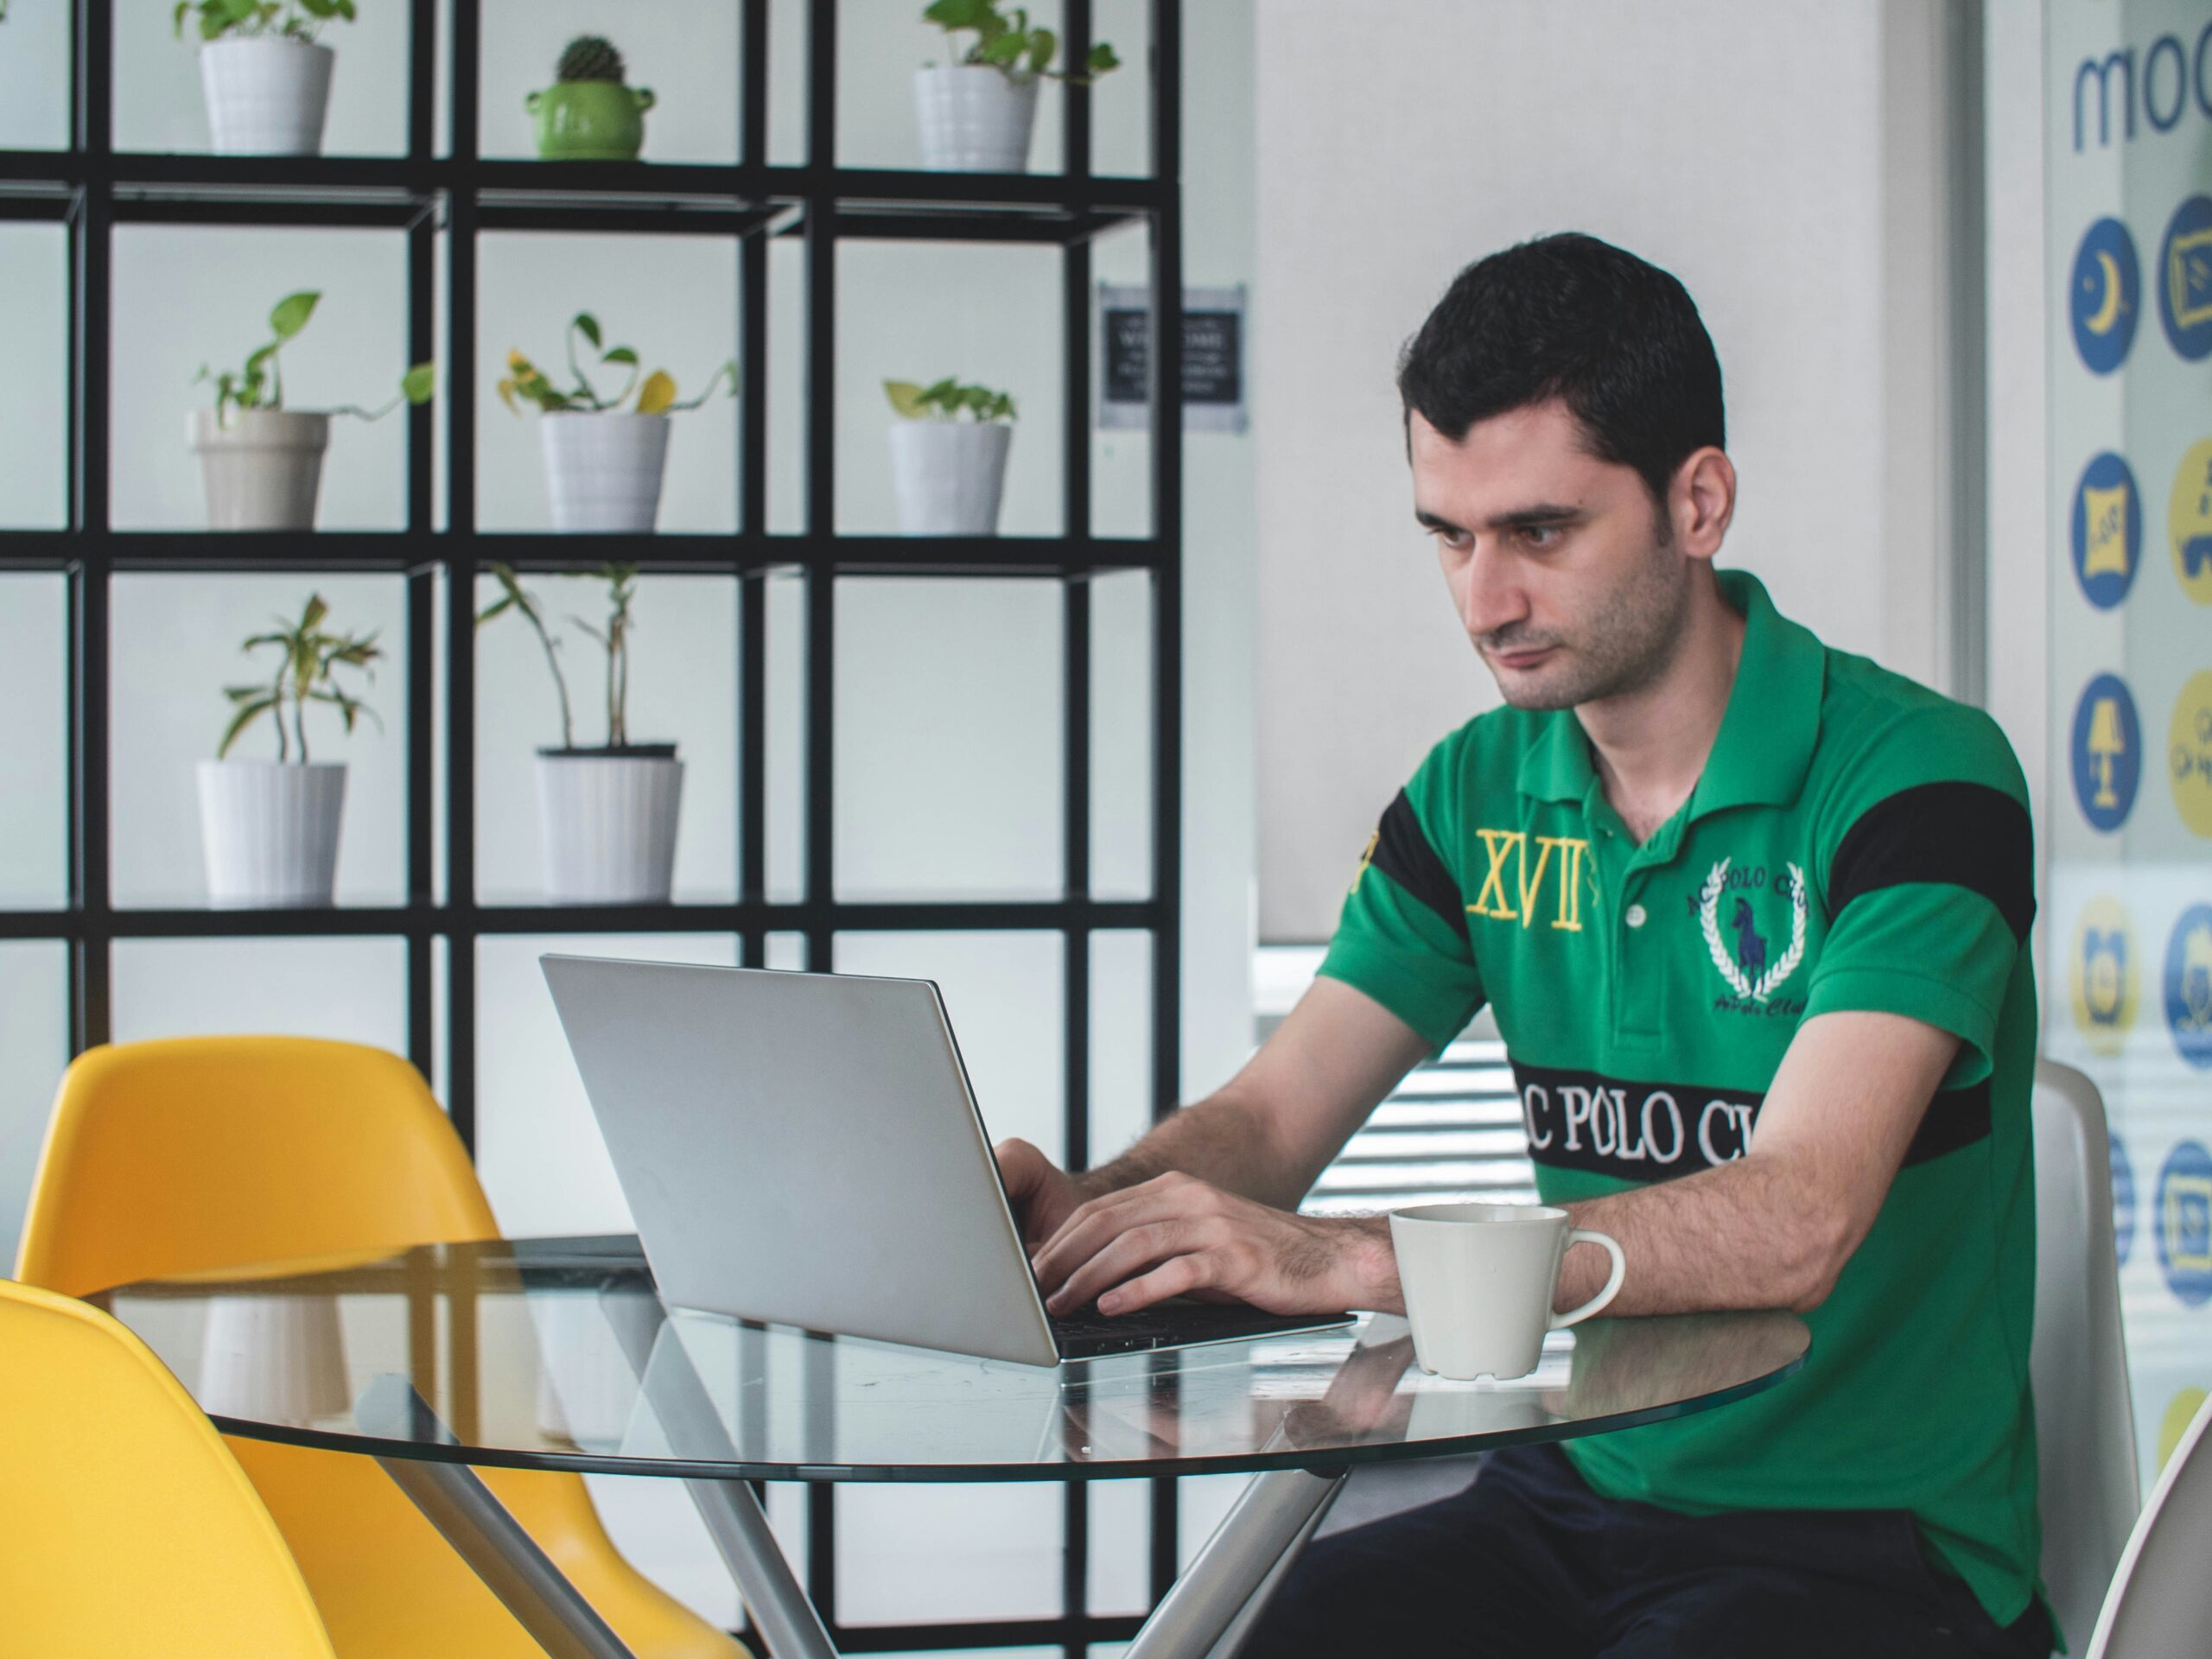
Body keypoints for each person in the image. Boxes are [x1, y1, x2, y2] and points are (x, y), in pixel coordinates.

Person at [995, 232, 2050, 1657]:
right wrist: (1100, 1214)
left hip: (1868, 1542)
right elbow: (1270, 1117)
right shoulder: (1475, 795)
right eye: (1450, 534)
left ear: (1698, 500)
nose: (1485, 599)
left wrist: (1350, 1263)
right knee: (1277, 1638)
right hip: (1589, 1487)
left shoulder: (1922, 784)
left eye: (1540, 532)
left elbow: (1801, 1214)